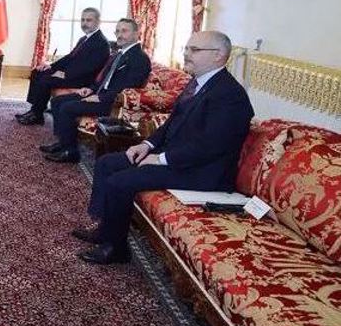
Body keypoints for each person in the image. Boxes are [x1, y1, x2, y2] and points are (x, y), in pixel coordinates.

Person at [72, 31, 254, 264]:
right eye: (186, 49)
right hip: (179, 158)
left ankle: (115, 249)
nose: (186, 54)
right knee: (108, 163)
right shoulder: (198, 82)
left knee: (121, 181)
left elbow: (210, 146)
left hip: (203, 172)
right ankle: (105, 230)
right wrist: (147, 145)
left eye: (194, 50)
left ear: (219, 55)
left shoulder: (229, 95)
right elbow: (171, 122)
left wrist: (161, 159)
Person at [41, 18, 152, 163]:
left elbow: (129, 87)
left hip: (112, 103)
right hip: (99, 94)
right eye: (117, 31)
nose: (119, 34)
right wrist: (90, 89)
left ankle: (70, 152)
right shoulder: (120, 54)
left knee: (67, 107)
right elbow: (103, 79)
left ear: (136, 34)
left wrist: (100, 97)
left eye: (124, 31)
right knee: (57, 101)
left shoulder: (139, 58)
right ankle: (63, 143)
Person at [17, 7, 110, 125]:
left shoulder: (101, 43)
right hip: (72, 74)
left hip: (82, 80)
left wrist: (65, 74)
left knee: (46, 80)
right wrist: (51, 67)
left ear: (98, 22)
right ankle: (35, 109)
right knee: (37, 72)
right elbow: (70, 57)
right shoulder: (84, 39)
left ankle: (37, 115)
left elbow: (89, 68)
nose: (84, 23)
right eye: (83, 20)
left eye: (89, 20)